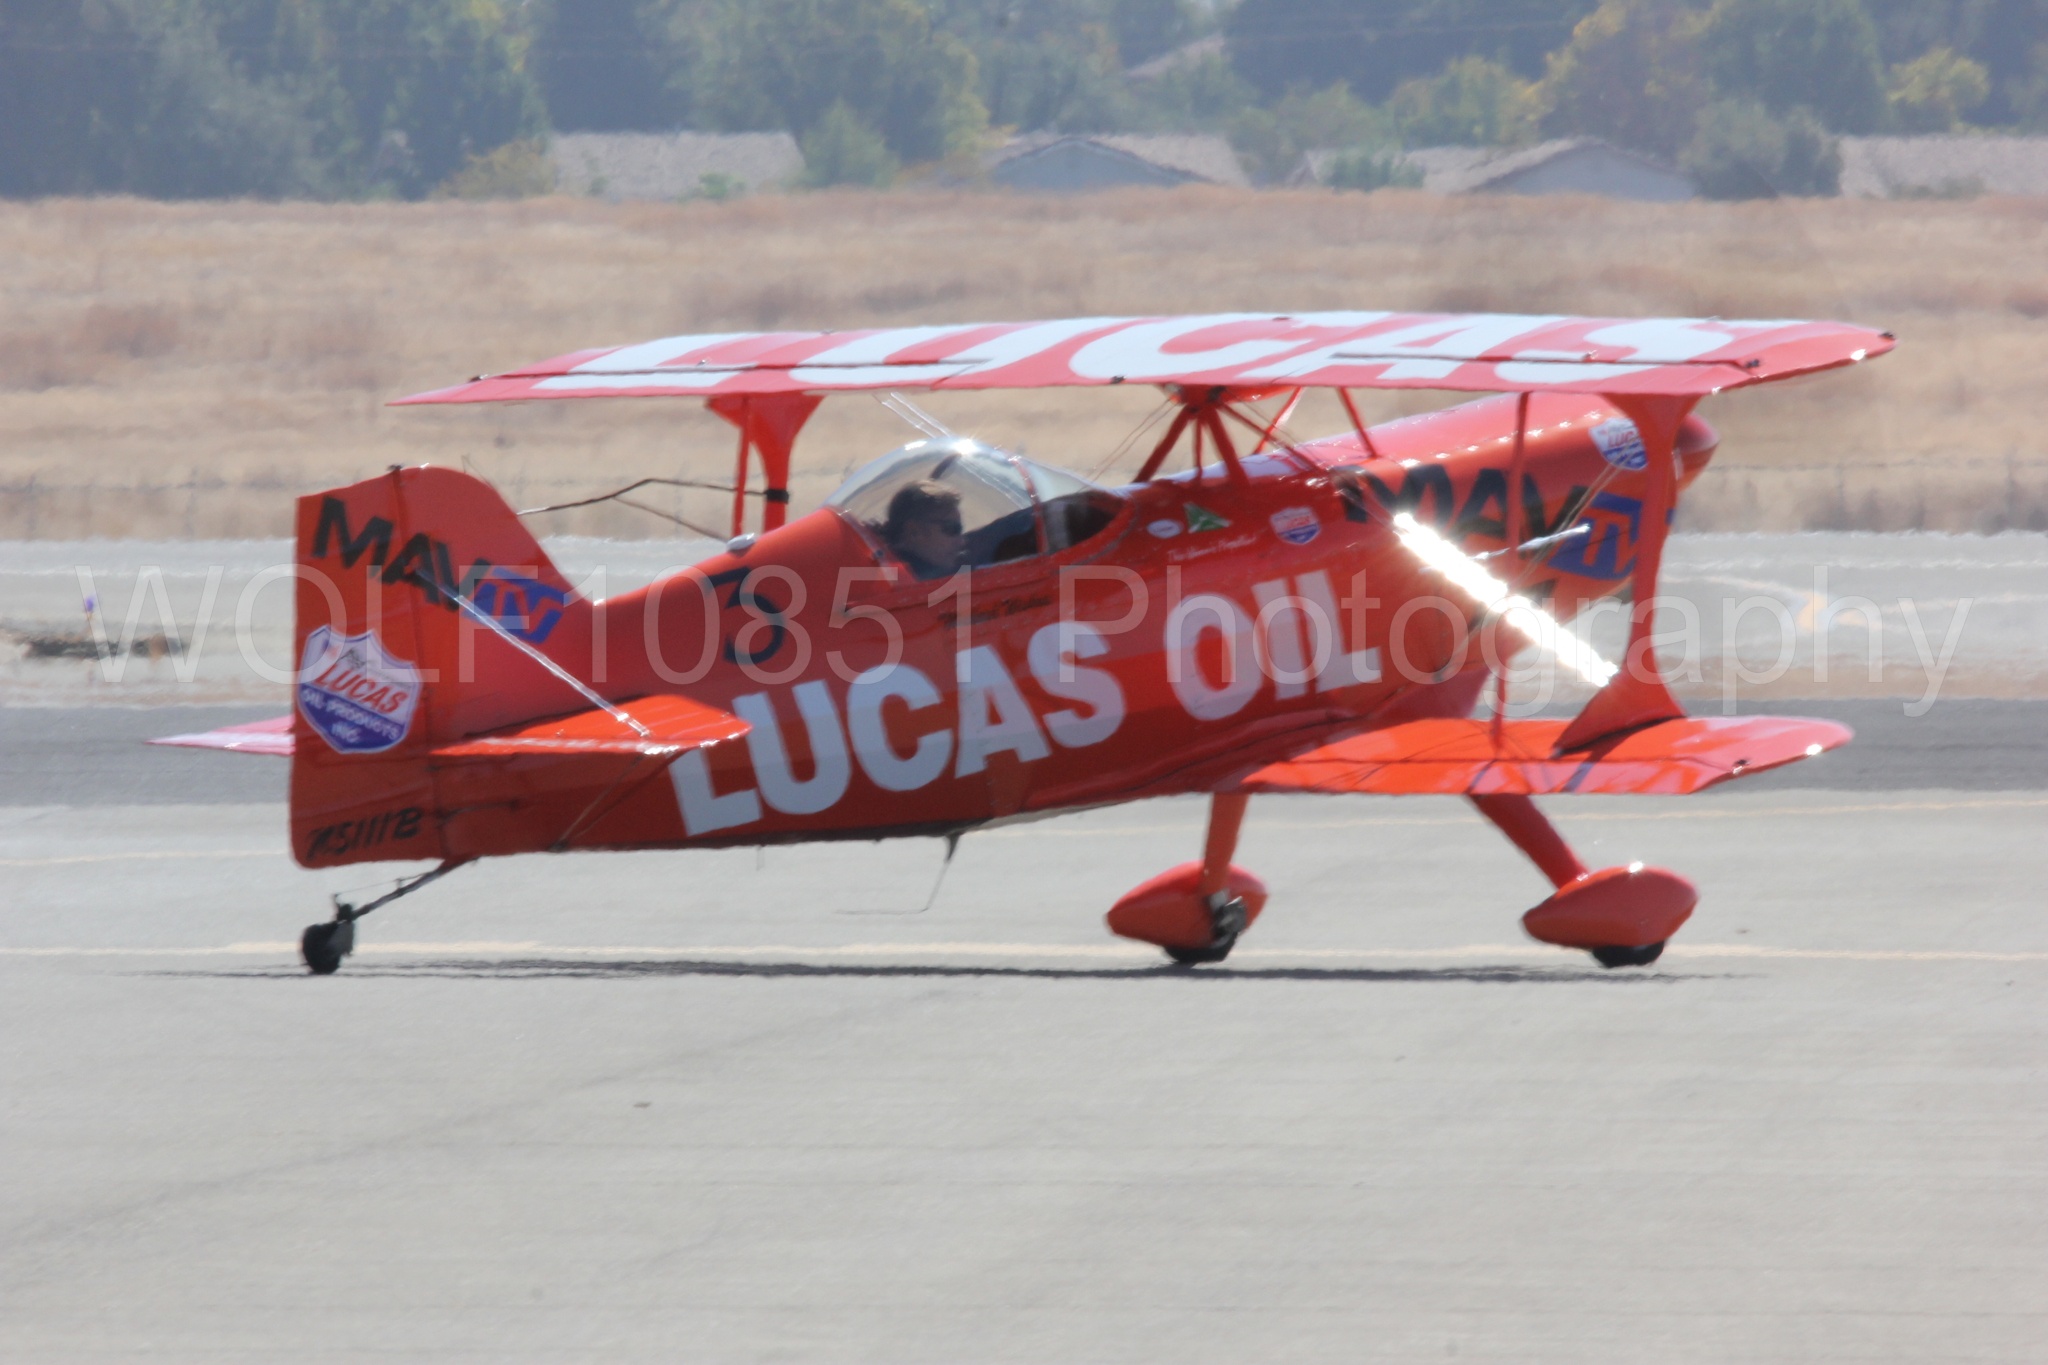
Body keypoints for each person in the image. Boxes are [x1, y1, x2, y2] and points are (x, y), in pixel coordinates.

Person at [879, 479, 967, 580]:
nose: (961, 542)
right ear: (914, 532)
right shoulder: (900, 581)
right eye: (952, 529)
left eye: (960, 530)